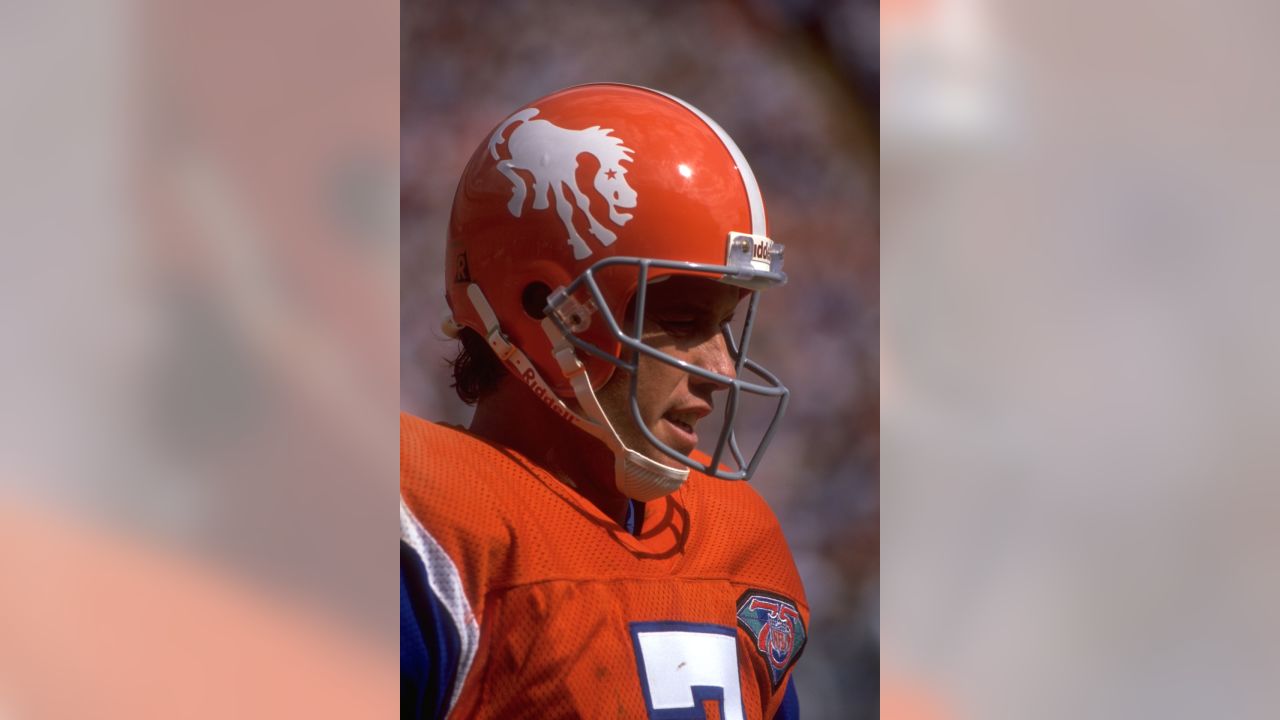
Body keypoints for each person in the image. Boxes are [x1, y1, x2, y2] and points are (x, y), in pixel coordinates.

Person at [401, 83, 808, 719]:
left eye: (726, 323)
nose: (722, 369)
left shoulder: (738, 540)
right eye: (681, 318)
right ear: (547, 310)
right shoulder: (431, 531)